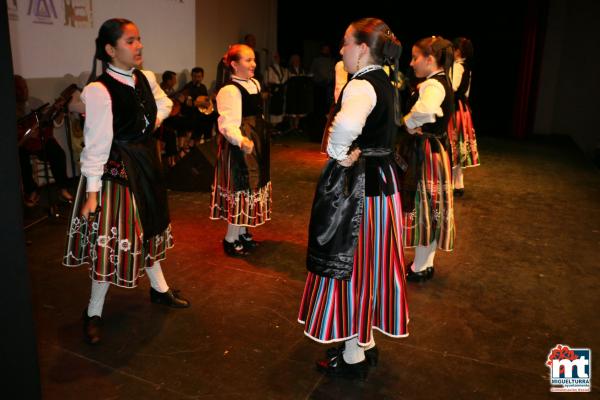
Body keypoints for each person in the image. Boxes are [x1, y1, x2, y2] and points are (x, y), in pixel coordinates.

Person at [63, 18, 190, 345]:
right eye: (131, 41)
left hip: (146, 165)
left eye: (139, 39)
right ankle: (93, 311)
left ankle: (160, 289)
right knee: (112, 245)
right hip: (117, 177)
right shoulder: (99, 90)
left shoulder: (145, 78)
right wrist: (92, 194)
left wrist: (147, 126)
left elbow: (165, 104)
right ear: (110, 49)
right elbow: (96, 146)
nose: (139, 46)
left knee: (149, 229)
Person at [298, 18, 407, 379]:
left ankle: (352, 354)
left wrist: (338, 151)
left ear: (362, 48)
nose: (341, 49)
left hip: (362, 189)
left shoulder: (361, 86)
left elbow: (345, 125)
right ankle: (365, 341)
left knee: (352, 265)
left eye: (346, 43)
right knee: (372, 263)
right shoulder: (387, 80)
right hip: (382, 184)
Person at [400, 36, 456, 282]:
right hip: (434, 151)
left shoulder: (433, 85)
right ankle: (425, 262)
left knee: (425, 206)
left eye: (415, 58)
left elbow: (426, 110)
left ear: (430, 60)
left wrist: (408, 122)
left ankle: (421, 266)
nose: (412, 64)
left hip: (427, 153)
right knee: (431, 207)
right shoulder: (439, 81)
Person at [210, 44, 272, 257]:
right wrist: (242, 141)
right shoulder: (229, 90)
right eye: (247, 60)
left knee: (252, 187)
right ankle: (230, 238)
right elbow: (227, 124)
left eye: (253, 59)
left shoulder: (253, 83)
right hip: (240, 145)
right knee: (240, 188)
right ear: (234, 65)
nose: (253, 64)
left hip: (256, 141)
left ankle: (243, 232)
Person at [15, 75, 74, 207]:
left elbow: (51, 123)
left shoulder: (36, 102)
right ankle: (31, 191)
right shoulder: (10, 108)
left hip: (40, 141)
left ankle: (62, 189)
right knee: (21, 158)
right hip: (23, 144)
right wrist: (27, 135)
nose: (24, 91)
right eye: (20, 89)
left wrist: (58, 112)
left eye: (25, 87)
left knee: (58, 153)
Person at [448, 37, 479, 196]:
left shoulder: (457, 67)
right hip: (463, 109)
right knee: (458, 146)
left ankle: (453, 183)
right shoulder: (467, 68)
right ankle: (458, 183)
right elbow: (465, 92)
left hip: (455, 110)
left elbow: (452, 88)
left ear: (458, 51)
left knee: (453, 145)